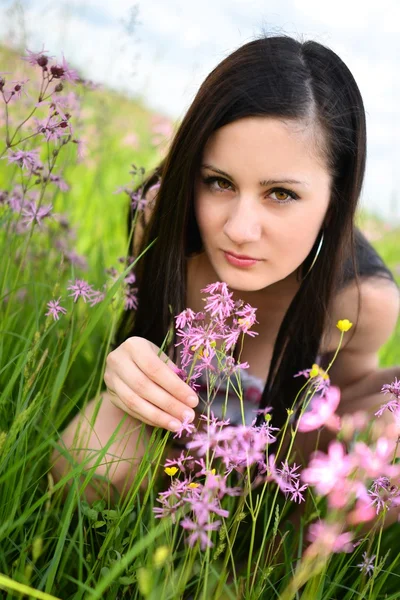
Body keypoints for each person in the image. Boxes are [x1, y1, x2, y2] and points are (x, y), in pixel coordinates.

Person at [50, 33, 400, 508]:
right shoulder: (165, 221)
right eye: (218, 182)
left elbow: (346, 401)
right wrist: (126, 364)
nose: (238, 229)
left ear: (337, 197)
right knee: (90, 451)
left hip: (262, 499)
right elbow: (138, 335)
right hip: (157, 450)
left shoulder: (361, 300)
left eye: (281, 194)